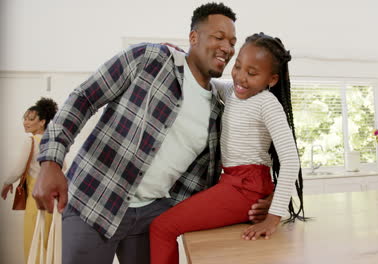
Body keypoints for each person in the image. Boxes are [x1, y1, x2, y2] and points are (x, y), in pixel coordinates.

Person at [32, 3, 271, 264]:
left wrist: (264, 201)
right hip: (95, 199)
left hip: (152, 217)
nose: (227, 47)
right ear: (193, 37)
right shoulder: (149, 59)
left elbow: (229, 177)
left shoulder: (219, 106)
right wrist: (51, 160)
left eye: (232, 41)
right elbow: (84, 98)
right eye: (219, 37)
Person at [149, 32, 306, 264]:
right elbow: (205, 80)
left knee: (162, 227)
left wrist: (273, 218)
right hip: (232, 182)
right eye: (238, 67)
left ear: (271, 80)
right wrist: (180, 55)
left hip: (246, 188)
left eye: (252, 73)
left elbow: (291, 161)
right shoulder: (232, 91)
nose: (241, 78)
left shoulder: (267, 103)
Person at [1, 97, 59, 261]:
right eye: (25, 118)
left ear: (42, 122)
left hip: (35, 198)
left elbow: (19, 169)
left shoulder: (31, 141)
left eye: (31, 119)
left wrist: (6, 183)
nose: (25, 122)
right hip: (52, 199)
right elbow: (64, 167)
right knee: (49, 239)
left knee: (33, 239)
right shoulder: (53, 141)